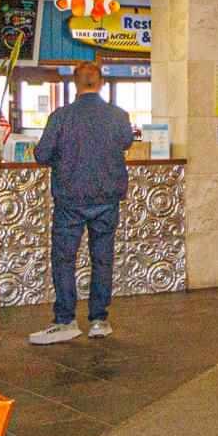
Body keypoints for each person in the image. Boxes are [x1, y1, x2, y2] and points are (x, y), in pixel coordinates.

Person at [28, 61, 136, 343]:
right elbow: (126, 142)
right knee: (102, 258)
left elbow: (42, 154)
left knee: (65, 259)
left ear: (75, 83)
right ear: (101, 83)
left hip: (70, 198)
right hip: (107, 197)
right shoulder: (118, 116)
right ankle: (99, 320)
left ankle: (66, 320)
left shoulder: (61, 116)